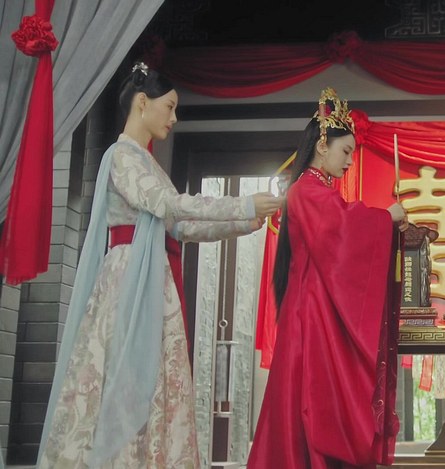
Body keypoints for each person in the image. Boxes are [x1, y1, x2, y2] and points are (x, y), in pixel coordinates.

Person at [37, 62, 283, 468]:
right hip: (129, 280)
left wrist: (247, 221)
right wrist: (242, 204)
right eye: (169, 107)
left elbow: (181, 226)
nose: (174, 117)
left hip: (151, 277)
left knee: (152, 377)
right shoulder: (122, 155)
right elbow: (167, 204)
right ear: (141, 102)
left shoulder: (148, 163)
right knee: (125, 373)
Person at [247, 88, 406, 469]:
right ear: (322, 145)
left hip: (315, 312)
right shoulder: (306, 190)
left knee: (313, 400)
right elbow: (342, 232)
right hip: (310, 317)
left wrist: (384, 223)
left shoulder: (314, 190)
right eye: (345, 151)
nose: (350, 161)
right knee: (309, 400)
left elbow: (343, 228)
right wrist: (387, 217)